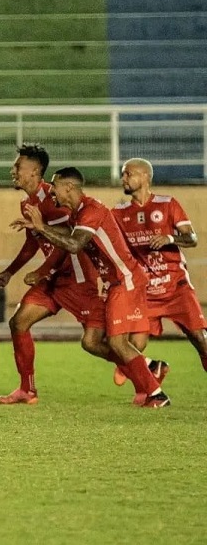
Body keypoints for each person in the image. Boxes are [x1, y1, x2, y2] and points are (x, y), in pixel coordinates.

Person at [16, 167, 171, 408]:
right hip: (114, 283)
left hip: (125, 280)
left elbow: (75, 244)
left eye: (54, 186)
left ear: (68, 187)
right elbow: (69, 233)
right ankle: (150, 369)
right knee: (91, 342)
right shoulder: (77, 213)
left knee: (119, 343)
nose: (51, 191)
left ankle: (156, 393)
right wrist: (38, 228)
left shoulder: (92, 210)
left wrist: (43, 228)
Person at [0, 144, 105, 405]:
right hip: (53, 279)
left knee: (95, 341)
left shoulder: (53, 200)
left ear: (35, 171)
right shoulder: (28, 203)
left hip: (76, 275)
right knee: (18, 322)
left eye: (17, 167)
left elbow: (71, 238)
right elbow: (34, 241)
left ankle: (146, 367)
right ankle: (27, 389)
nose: (13, 171)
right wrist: (10, 271)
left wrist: (44, 270)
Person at [111, 158, 206, 384]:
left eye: (128, 174)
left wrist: (169, 238)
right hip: (145, 292)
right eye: (123, 174)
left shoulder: (167, 204)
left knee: (201, 339)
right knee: (132, 347)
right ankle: (149, 385)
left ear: (145, 177)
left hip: (176, 287)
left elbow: (191, 238)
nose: (123, 178)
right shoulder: (118, 213)